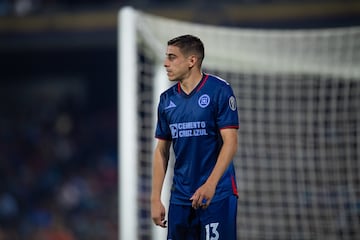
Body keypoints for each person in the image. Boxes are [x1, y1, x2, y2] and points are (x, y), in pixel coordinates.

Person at [151, 34, 239, 240]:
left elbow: (231, 142)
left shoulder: (219, 90)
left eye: (172, 57)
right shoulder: (166, 100)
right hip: (181, 198)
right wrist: (155, 198)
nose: (165, 63)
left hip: (217, 194)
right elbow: (161, 151)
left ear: (192, 61)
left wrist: (210, 184)